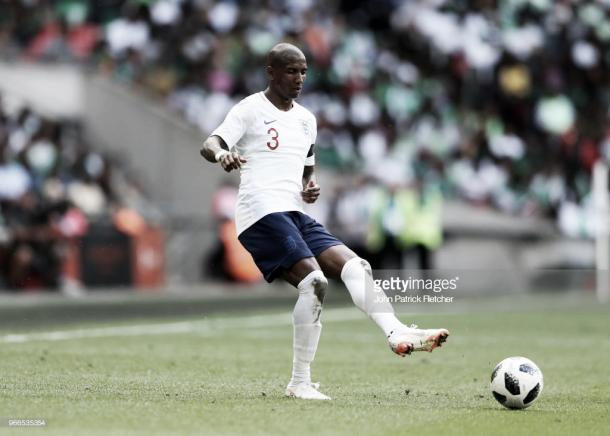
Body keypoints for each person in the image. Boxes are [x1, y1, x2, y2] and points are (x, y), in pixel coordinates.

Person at [200, 43, 449, 401]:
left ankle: (396, 332)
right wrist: (223, 153)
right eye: (291, 71)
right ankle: (300, 382)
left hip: (294, 212)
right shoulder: (251, 109)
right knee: (314, 282)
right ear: (271, 72)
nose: (299, 78)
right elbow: (211, 142)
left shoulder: (306, 119)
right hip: (259, 212)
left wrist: (309, 185)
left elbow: (307, 165)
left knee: (354, 265)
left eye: (303, 71)